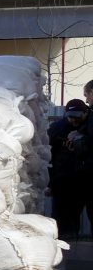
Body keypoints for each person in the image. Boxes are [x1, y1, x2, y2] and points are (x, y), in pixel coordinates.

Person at [48, 99, 90, 239]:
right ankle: (65, 251)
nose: (74, 120)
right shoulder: (57, 128)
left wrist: (81, 141)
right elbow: (48, 156)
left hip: (86, 180)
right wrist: (50, 183)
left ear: (85, 113)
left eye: (77, 116)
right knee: (62, 222)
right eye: (70, 116)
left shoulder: (91, 126)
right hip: (63, 181)